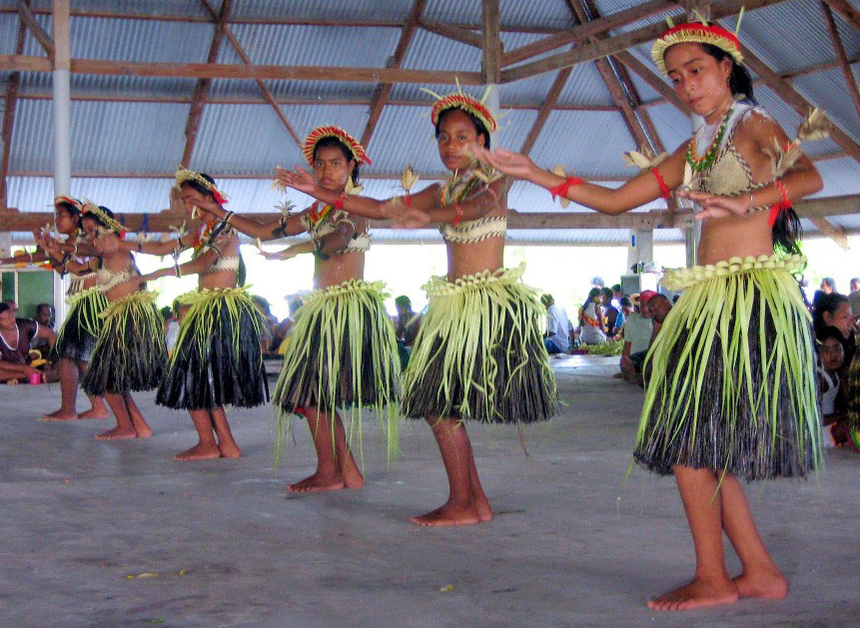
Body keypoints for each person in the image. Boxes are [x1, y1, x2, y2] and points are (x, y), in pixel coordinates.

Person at [478, 20, 824, 610]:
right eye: (676, 77)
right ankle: (759, 572)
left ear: (725, 67)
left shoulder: (754, 123)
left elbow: (808, 177)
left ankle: (715, 578)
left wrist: (745, 200)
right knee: (700, 446)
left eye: (696, 70)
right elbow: (617, 199)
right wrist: (536, 174)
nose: (686, 85)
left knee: (690, 448)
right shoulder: (697, 146)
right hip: (710, 303)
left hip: (747, 304)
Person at [277, 90, 557, 525]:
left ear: (483, 140)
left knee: (438, 405)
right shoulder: (437, 191)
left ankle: (465, 502)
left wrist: (434, 216)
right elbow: (378, 208)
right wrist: (321, 193)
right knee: (439, 405)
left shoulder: (495, 180)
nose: (451, 146)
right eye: (444, 138)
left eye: (462, 137)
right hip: (454, 306)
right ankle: (473, 501)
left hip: (485, 307)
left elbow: (476, 208)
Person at [193, 126, 399, 491]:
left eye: (336, 164)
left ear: (352, 166)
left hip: (344, 310)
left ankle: (330, 472)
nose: (327, 172)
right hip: (322, 310)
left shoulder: (354, 208)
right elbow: (263, 228)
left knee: (309, 393)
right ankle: (346, 471)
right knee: (315, 394)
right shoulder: (316, 210)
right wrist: (218, 212)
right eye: (320, 164)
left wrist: (300, 249)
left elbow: (337, 241)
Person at [138, 169, 269, 460]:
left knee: (193, 375)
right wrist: (128, 244)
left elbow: (205, 261)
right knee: (196, 376)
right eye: (185, 200)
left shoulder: (223, 227)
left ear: (211, 198)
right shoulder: (199, 230)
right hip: (204, 308)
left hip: (218, 310)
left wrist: (163, 271)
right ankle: (220, 443)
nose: (189, 206)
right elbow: (163, 246)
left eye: (193, 199)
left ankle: (216, 444)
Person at [64, 204, 166, 440]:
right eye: (87, 231)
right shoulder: (102, 257)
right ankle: (138, 426)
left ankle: (126, 426)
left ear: (109, 228)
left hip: (130, 318)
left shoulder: (114, 250)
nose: (91, 236)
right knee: (113, 376)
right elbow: (79, 269)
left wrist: (64, 247)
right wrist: (54, 251)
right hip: (120, 319)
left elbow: (82, 250)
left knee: (104, 375)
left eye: (94, 230)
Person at [0, 302, 56, 384]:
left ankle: (32, 374)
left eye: (11, 316)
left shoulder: (25, 325)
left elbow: (51, 334)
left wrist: (55, 361)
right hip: (8, 370)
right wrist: (23, 369)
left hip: (28, 364)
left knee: (53, 367)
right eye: (4, 319)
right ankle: (28, 375)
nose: (10, 320)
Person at [618, 290, 654, 382]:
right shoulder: (632, 319)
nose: (645, 309)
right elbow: (627, 346)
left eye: (648, 305)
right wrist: (625, 361)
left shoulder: (661, 320)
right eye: (642, 305)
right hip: (636, 360)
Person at [394, 295, 422, 368]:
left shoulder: (417, 317)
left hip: (416, 348)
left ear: (403, 307)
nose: (397, 310)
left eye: (397, 308)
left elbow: (420, 335)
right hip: (408, 346)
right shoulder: (402, 318)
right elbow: (398, 334)